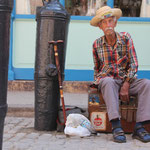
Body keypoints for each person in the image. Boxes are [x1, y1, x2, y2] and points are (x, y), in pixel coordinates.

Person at [90, 6, 150, 143]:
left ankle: (139, 127)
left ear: (115, 23)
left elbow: (134, 64)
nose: (108, 25)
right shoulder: (96, 44)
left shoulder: (126, 38)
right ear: (100, 26)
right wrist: (95, 84)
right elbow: (97, 68)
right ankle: (116, 127)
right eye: (104, 22)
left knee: (147, 83)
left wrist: (127, 84)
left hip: (126, 79)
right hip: (109, 82)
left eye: (110, 21)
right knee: (107, 81)